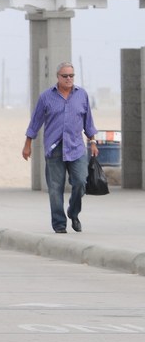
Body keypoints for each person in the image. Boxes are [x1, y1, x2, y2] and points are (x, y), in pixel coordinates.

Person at [22, 62, 99, 233]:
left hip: (76, 147)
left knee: (80, 182)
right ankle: (59, 224)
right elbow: (35, 122)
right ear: (57, 77)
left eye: (71, 76)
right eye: (65, 76)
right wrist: (27, 144)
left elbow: (88, 121)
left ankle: (73, 212)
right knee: (55, 189)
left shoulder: (82, 95)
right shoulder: (46, 97)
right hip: (54, 148)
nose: (69, 79)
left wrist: (92, 141)